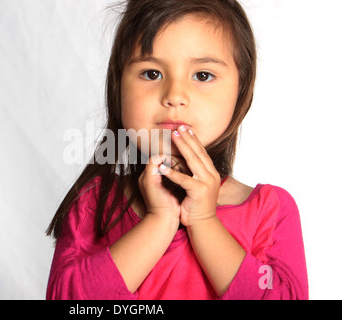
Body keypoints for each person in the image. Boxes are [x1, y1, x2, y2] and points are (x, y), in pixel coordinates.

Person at [46, 0, 308, 300]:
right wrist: (159, 220)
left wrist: (204, 222)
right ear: (119, 86)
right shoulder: (94, 202)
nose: (174, 96)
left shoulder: (270, 211)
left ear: (241, 89)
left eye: (203, 75)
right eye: (151, 73)